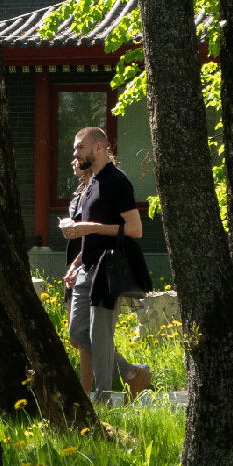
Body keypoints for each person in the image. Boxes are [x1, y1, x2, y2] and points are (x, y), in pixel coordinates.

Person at [60, 127, 155, 400]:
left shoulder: (117, 181)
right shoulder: (90, 184)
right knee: (78, 331)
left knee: (101, 340)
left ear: (98, 147)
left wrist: (89, 227)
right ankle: (133, 374)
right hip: (86, 269)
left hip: (108, 271)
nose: (75, 153)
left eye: (80, 147)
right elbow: (91, 234)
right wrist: (76, 263)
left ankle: (103, 403)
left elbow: (135, 230)